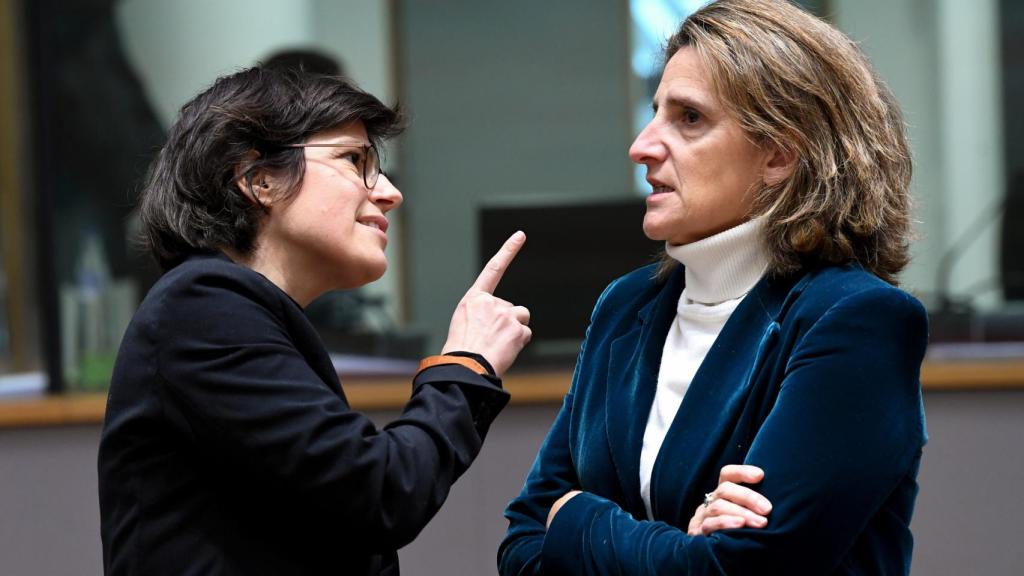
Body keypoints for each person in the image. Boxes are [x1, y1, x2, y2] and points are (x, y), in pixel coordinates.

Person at [498, 0, 927, 574]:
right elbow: (521, 544)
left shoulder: (857, 320)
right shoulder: (626, 306)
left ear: (778, 154)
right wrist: (683, 544)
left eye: (689, 118)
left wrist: (576, 519)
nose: (643, 145)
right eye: (655, 112)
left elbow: (742, 568)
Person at [98, 65, 532, 575]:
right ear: (258, 179)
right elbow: (380, 492)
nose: (390, 192)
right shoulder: (203, 306)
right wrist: (466, 366)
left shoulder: (230, 309)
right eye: (355, 160)